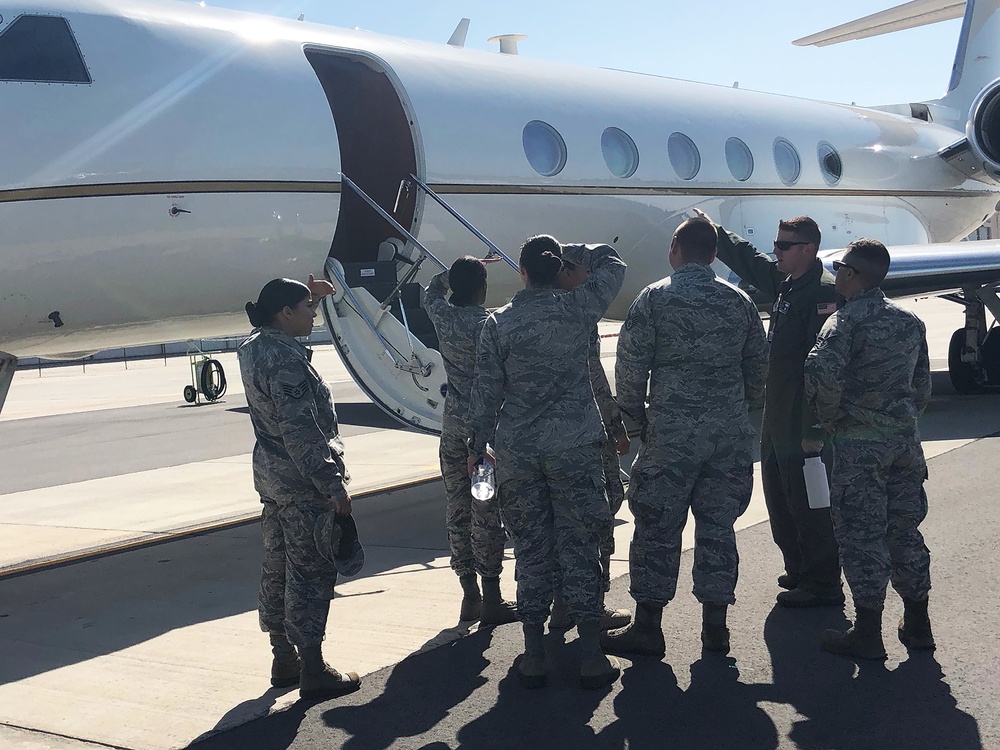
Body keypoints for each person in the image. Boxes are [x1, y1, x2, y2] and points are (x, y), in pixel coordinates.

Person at [601, 216, 767, 657]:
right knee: (718, 528)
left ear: (675, 249)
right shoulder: (739, 302)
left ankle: (649, 629)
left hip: (671, 436)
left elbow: (631, 369)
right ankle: (716, 628)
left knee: (656, 528)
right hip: (727, 437)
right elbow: (758, 371)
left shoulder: (655, 299)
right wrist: (734, 411)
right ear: (714, 254)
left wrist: (633, 424)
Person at [467, 235, 626, 689]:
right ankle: (592, 653)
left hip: (519, 453)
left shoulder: (498, 324)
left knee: (533, 550)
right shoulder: (578, 309)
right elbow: (612, 263)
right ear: (559, 270)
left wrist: (477, 448)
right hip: (574, 448)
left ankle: (534, 652)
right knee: (581, 544)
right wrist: (576, 250)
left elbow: (486, 394)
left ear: (521, 273)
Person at [696, 208, 844, 608]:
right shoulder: (788, 284)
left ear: (809, 249)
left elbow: (826, 368)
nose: (775, 251)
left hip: (803, 414)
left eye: (784, 245)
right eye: (776, 243)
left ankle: (823, 581)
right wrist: (717, 232)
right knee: (779, 493)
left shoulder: (824, 293)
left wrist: (815, 428)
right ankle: (798, 566)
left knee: (811, 499)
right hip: (777, 412)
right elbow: (751, 260)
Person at [803, 239, 934, 660]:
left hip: (859, 447)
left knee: (862, 536)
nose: (836, 274)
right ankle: (917, 622)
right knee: (905, 531)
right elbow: (922, 386)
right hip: (904, 444)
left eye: (841, 268)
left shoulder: (844, 323)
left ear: (852, 275)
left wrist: (829, 422)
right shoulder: (909, 321)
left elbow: (822, 380)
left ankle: (868, 632)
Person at [238, 275, 362, 700]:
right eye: (307, 307)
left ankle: (282, 656)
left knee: (277, 565)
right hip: (301, 481)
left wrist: (314, 291)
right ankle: (313, 667)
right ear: (285, 313)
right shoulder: (286, 359)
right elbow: (301, 430)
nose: (314, 313)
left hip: (272, 478)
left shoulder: (255, 346)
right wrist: (332, 485)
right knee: (309, 571)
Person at [420, 256, 517, 626]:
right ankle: (492, 595)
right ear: (483, 288)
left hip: (453, 430)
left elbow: (432, 289)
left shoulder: (442, 315)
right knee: (485, 511)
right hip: (484, 434)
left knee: (458, 509)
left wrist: (453, 273)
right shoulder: (491, 324)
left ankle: (469, 594)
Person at [549, 251, 633, 632]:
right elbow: (594, 378)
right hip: (583, 434)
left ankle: (557, 604)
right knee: (600, 512)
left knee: (551, 524)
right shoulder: (577, 313)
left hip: (536, 442)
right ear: (565, 271)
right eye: (582, 269)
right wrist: (615, 425)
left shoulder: (516, 316)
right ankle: (589, 606)